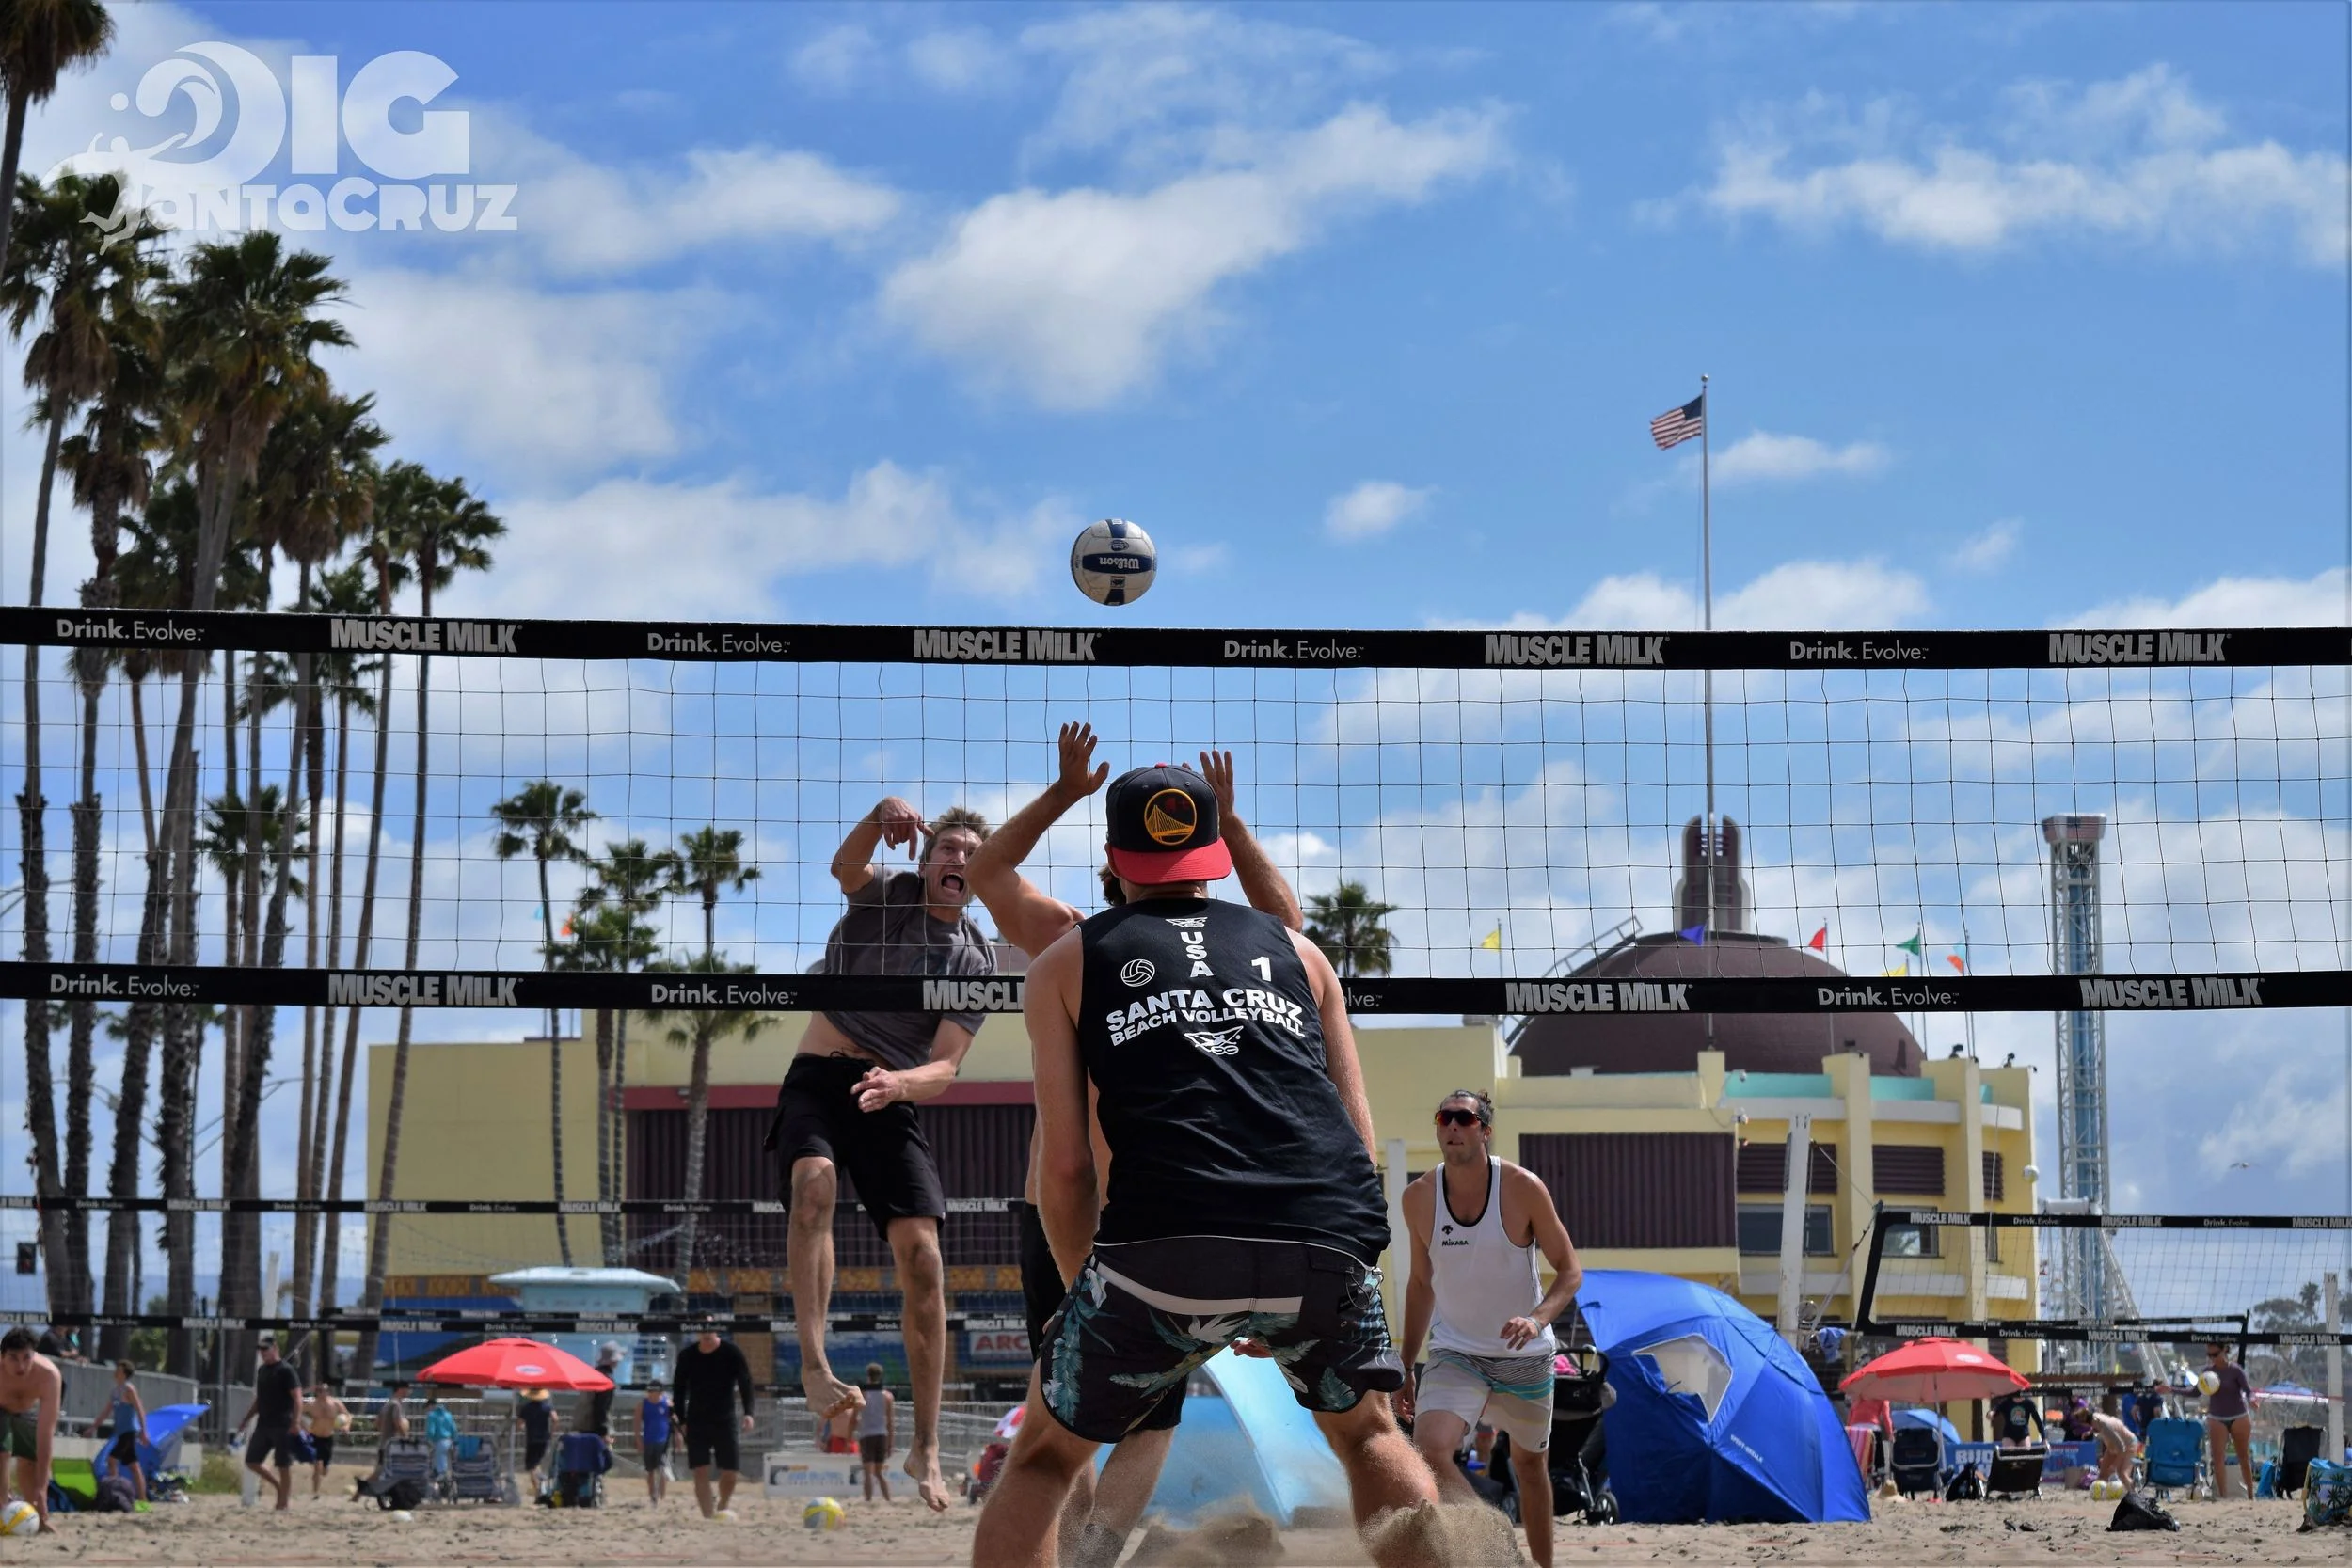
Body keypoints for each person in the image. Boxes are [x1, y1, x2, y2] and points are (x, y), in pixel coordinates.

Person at [974, 762, 1443, 1567]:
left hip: (1162, 1238)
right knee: (1368, 1431)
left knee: (1047, 1457)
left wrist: (1080, 1290)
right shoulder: (1303, 953)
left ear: (1116, 862)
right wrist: (1315, 1284)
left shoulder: (1065, 958)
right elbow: (1357, 1144)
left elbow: (1067, 1169)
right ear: (1216, 854)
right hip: (1320, 1231)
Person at [965, 724, 1304, 1568]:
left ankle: (1095, 1554)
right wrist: (1067, 791)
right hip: (1070, 1209)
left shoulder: (1228, 950)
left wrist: (1227, 819)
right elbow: (985, 875)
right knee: (1065, 1401)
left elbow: (1290, 928)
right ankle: (1082, 1550)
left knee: (1151, 1409)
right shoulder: (1074, 939)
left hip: (1162, 1207)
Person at [771, 797, 996, 1512]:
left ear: (984, 872)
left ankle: (926, 1447)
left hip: (890, 1089)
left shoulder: (975, 958)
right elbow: (844, 865)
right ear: (926, 859)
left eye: (972, 852)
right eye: (949, 847)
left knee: (924, 1258)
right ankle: (814, 1365)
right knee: (814, 1184)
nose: (958, 858)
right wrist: (877, 815)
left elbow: (947, 1068)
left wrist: (901, 1082)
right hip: (820, 1072)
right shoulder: (887, 896)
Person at [1395, 1088, 1583, 1568]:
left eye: (1464, 1118)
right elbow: (1420, 1285)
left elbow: (1569, 1271)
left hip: (1524, 1357)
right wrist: (1405, 1365)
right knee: (1431, 1448)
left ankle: (1542, 1566)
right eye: (1444, 1118)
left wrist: (1537, 1318)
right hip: (1457, 1351)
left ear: (1485, 1129)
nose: (1453, 1127)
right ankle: (1495, 1543)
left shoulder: (1522, 1187)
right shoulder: (1418, 1198)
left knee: (1529, 1467)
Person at [672, 1327, 755, 1519]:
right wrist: (682, 1420)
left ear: (716, 1330)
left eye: (709, 1327)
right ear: (696, 1332)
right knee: (700, 1470)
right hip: (696, 1420)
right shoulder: (687, 1355)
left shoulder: (731, 1352)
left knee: (731, 1471)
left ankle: (723, 1505)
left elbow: (746, 1383)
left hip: (725, 1419)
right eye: (701, 1329)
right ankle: (708, 1517)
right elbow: (678, 1389)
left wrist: (748, 1413)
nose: (706, 1332)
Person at [0, 1326, 62, 1534]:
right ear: (2, 1357)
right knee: (2, 1452)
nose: (21, 1365)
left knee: (31, 1462)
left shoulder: (49, 1375)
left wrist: (42, 1489)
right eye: (13, 1358)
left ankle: (38, 1516)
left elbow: (45, 1434)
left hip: (28, 1411)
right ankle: (2, 1507)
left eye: (26, 1357)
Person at [233, 1337, 304, 1511]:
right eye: (261, 1350)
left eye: (266, 1349)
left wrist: (296, 1421)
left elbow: (297, 1398)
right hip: (264, 1423)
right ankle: (279, 1487)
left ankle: (283, 1502)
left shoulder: (286, 1370)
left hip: (283, 1423)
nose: (263, 1352)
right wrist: (246, 1419)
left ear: (275, 1348)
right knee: (252, 1461)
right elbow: (260, 1399)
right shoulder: (262, 1370)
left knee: (283, 1464)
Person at [2201, 1341, 2256, 1498]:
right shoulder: (2208, 1372)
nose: (2212, 1358)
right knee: (2218, 1458)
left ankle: (2251, 1496)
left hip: (2239, 1416)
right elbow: (2194, 1392)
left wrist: (2252, 1400)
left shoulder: (2235, 1370)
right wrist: (2171, 1389)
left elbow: (2248, 1391)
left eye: (2215, 1354)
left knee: (2243, 1457)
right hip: (2217, 1417)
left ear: (2224, 1350)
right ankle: (2223, 1497)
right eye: (2209, 1355)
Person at [102, 1361, 149, 1504]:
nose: (116, 1372)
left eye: (119, 1370)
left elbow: (140, 1409)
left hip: (129, 1432)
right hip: (121, 1432)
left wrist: (143, 1431)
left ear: (125, 1374)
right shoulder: (115, 1391)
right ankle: (142, 1500)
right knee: (134, 1466)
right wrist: (93, 1427)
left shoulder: (129, 1389)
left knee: (111, 1460)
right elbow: (106, 1412)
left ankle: (114, 1494)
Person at [855, 1364, 896, 1503]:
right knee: (878, 1472)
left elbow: (854, 1417)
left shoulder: (862, 1394)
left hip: (866, 1435)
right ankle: (888, 1499)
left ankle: (868, 1500)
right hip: (881, 1434)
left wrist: (849, 1435)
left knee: (868, 1472)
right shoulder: (887, 1396)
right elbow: (890, 1422)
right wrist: (890, 1444)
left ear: (868, 1376)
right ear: (880, 1376)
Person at [304, 1383, 349, 1497]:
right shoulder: (312, 1405)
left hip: (328, 1437)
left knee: (324, 1471)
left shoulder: (335, 1404)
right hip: (314, 1436)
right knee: (317, 1466)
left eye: (324, 1391)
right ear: (316, 1392)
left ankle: (325, 1468)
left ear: (328, 1392)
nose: (322, 1393)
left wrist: (346, 1426)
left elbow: (347, 1415)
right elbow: (296, 1410)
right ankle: (315, 1492)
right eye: (319, 1391)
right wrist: (303, 1426)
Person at [575, 1343, 621, 1444]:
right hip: (596, 1431)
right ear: (613, 1360)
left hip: (584, 1427)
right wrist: (603, 1433)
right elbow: (601, 1408)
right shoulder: (607, 1379)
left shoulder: (593, 1374)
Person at [638, 1380, 673, 1507]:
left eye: (656, 1391)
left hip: (663, 1441)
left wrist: (679, 1436)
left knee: (662, 1469)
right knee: (650, 1470)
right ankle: (652, 1495)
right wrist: (638, 1440)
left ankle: (662, 1496)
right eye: (651, 1391)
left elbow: (674, 1421)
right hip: (648, 1440)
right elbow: (636, 1423)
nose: (653, 1394)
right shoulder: (643, 1404)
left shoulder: (667, 1403)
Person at [2090, 1395, 2136, 1485]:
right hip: (2113, 1447)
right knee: (2102, 1474)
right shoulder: (2096, 1420)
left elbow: (2122, 1448)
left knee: (2123, 1474)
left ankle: (2134, 1494)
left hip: (2128, 1445)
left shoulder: (2106, 1426)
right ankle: (2102, 1494)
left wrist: (2115, 1465)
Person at [515, 1388, 554, 1487]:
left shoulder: (526, 1408)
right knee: (537, 1462)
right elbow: (556, 1419)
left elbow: (519, 1424)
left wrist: (522, 1428)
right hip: (544, 1438)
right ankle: (540, 1484)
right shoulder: (547, 1407)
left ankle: (538, 1488)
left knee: (531, 1466)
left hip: (531, 1439)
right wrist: (551, 1432)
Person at [423, 1395, 457, 1477]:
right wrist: (454, 1440)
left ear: (431, 1406)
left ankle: (442, 1478)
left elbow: (431, 1431)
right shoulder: (448, 1414)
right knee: (445, 1461)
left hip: (439, 1441)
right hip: (449, 1441)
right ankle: (445, 1476)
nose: (427, 1410)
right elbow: (454, 1429)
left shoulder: (432, 1415)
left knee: (440, 1462)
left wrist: (428, 1439)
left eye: (427, 1408)